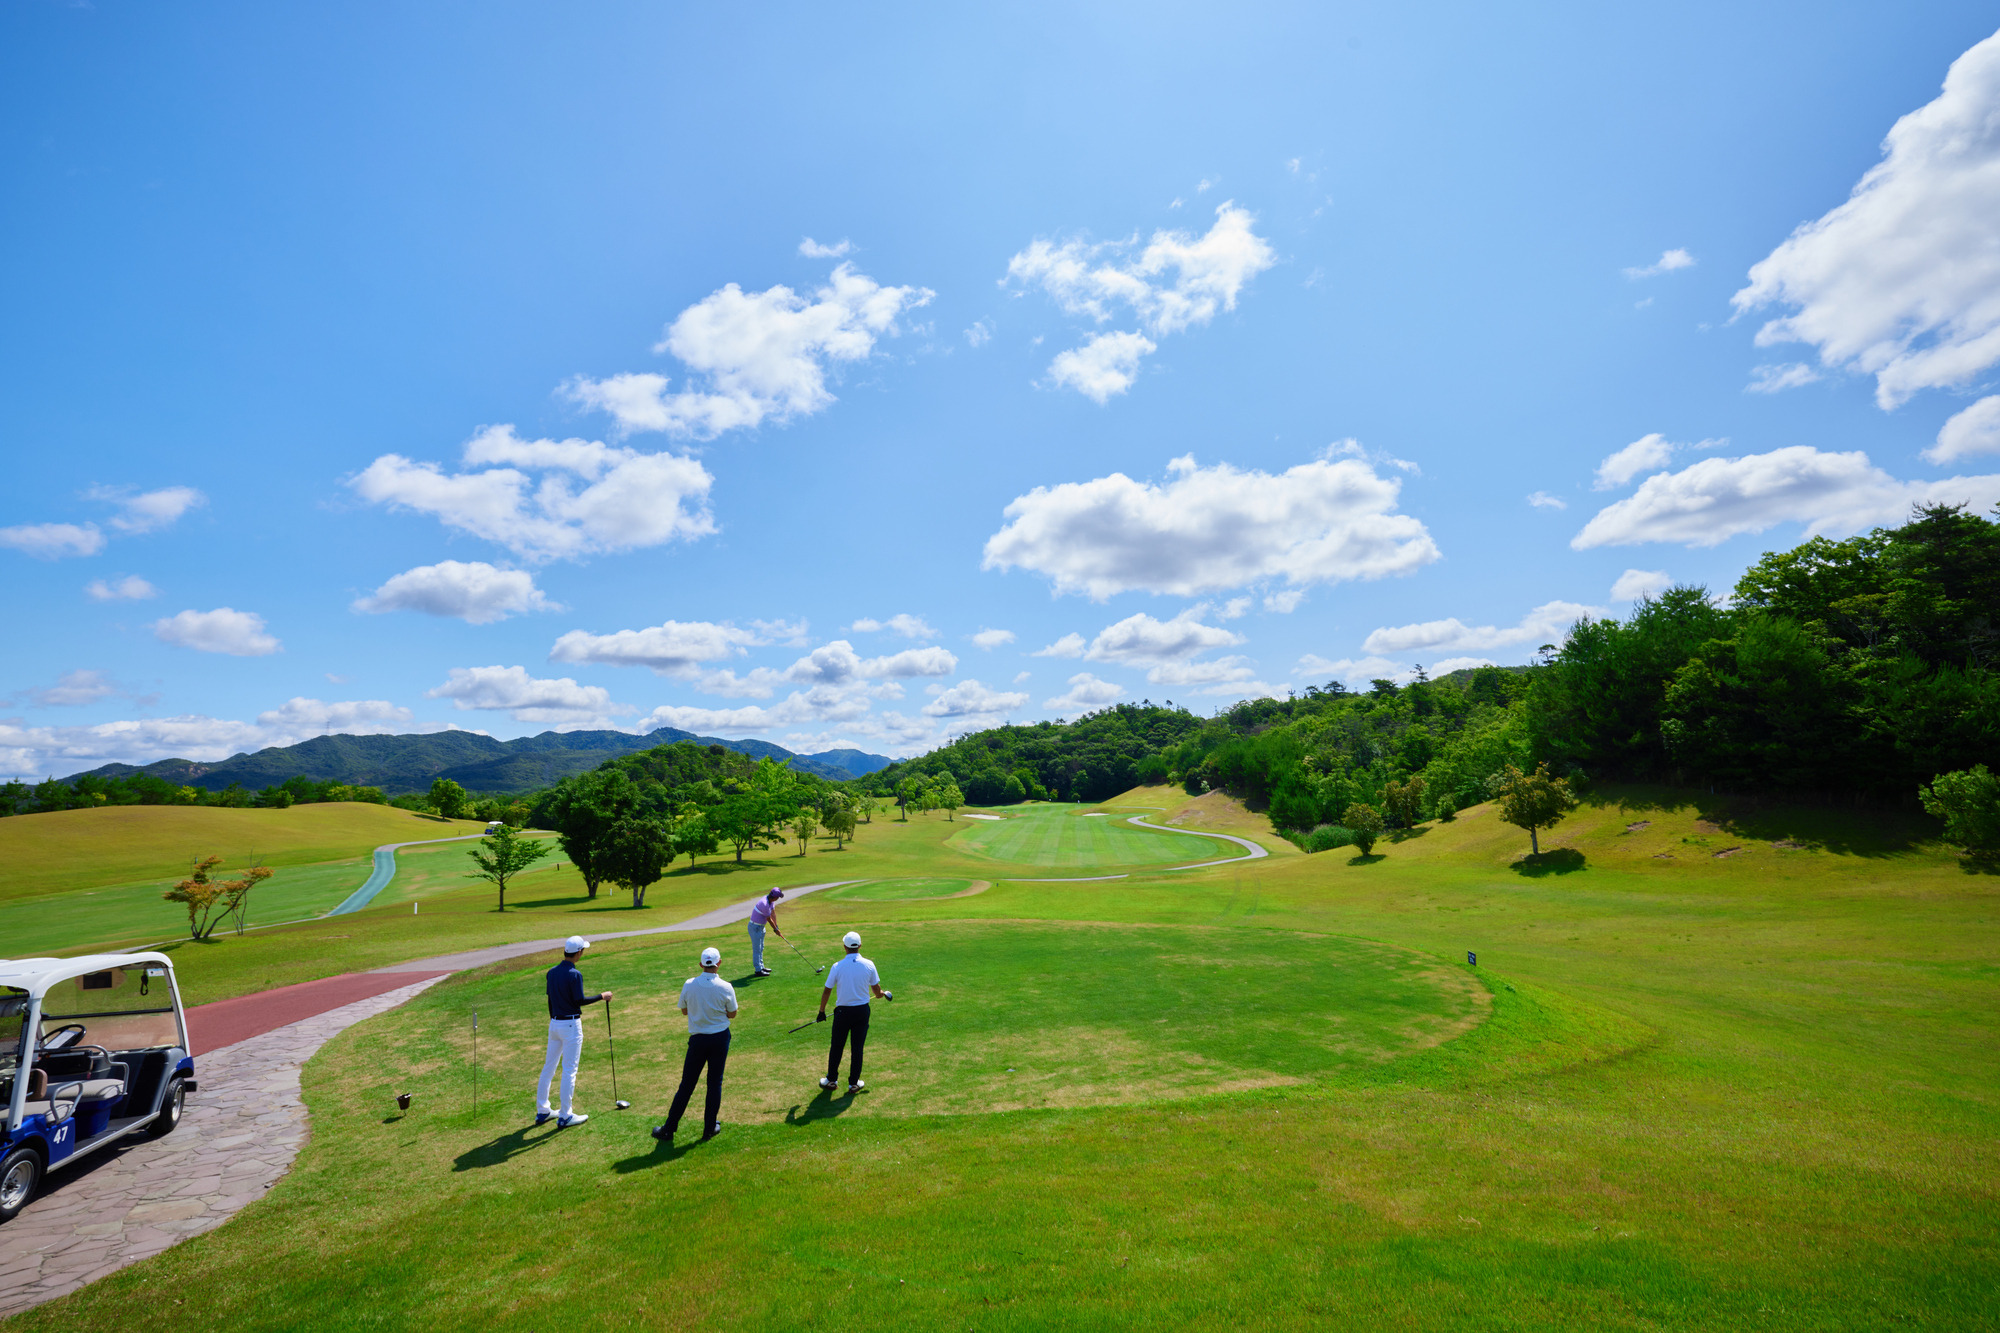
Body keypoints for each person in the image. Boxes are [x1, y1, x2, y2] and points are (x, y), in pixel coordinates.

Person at [655, 946, 737, 1143]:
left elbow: (684, 1011)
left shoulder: (689, 984)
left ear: (701, 964)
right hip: (719, 1038)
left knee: (687, 1085)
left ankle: (669, 1128)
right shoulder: (726, 987)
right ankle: (709, 1127)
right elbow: (732, 1014)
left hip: (698, 1040)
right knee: (714, 1083)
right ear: (719, 963)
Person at [537, 935, 611, 1127]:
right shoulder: (574, 974)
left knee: (548, 1068)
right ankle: (565, 1115)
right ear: (578, 952)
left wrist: (554, 1019)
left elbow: (550, 1000)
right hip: (570, 1025)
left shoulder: (551, 972)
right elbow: (579, 1000)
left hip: (554, 1024)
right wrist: (602, 996)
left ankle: (543, 1110)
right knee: (569, 1070)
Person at [817, 930, 890, 1094]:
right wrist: (880, 995)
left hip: (842, 1013)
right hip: (862, 1012)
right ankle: (854, 1083)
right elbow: (876, 989)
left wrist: (821, 1011)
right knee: (857, 1047)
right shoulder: (869, 964)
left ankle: (831, 1080)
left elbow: (827, 991)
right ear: (860, 946)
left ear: (844, 947)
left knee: (837, 1046)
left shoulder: (837, 966)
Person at [747, 887, 786, 976]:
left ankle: (761, 966)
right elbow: (769, 919)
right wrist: (775, 930)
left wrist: (777, 927)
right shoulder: (764, 904)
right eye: (778, 897)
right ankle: (758, 970)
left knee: (761, 948)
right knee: (757, 949)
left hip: (760, 927)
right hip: (755, 927)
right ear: (775, 897)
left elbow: (773, 914)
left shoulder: (771, 901)